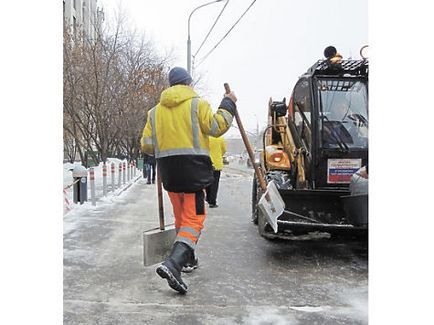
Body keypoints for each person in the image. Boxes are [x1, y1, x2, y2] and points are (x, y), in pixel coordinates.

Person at [140, 67, 237, 294]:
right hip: (193, 173)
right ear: (189, 84)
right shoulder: (198, 104)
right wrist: (228, 104)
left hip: (170, 175)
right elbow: (216, 127)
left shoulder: (154, 112)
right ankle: (173, 263)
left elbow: (146, 144)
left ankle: (188, 259)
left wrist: (166, 140)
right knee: (194, 221)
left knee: (182, 218)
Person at [205, 136, 226, 208]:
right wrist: (219, 154)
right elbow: (224, 150)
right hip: (217, 164)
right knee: (215, 183)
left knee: (207, 182)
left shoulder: (205, 137)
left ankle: (208, 197)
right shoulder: (220, 138)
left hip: (206, 163)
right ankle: (212, 202)